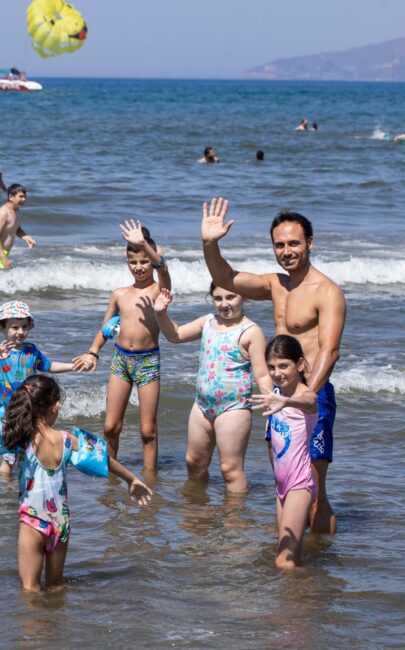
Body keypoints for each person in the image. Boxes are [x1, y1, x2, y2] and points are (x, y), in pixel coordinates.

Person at [0, 375, 153, 592]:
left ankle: (35, 636)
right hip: (62, 522)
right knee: (57, 586)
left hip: (33, 521)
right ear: (54, 406)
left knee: (30, 591)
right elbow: (104, 459)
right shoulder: (67, 440)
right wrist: (131, 479)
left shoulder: (20, 440)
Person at [201, 196, 345, 534]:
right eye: (279, 245)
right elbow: (227, 276)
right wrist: (209, 244)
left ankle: (321, 562)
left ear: (310, 243)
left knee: (313, 489)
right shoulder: (275, 285)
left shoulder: (327, 292)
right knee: (285, 482)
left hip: (312, 397)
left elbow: (330, 350)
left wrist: (305, 395)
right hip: (278, 398)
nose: (287, 250)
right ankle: (293, 551)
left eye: (294, 243)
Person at [152, 285, 271, 493]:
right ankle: (199, 507)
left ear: (243, 296)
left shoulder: (251, 331)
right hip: (202, 405)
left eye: (230, 297)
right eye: (218, 298)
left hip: (233, 407)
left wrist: (271, 401)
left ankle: (234, 519)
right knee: (193, 461)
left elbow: (262, 374)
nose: (224, 304)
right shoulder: (207, 322)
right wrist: (160, 312)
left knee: (230, 469)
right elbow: (175, 335)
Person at [74, 220, 170, 468]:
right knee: (110, 426)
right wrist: (93, 352)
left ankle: (149, 480)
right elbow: (106, 328)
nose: (139, 267)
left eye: (144, 261)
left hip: (147, 361)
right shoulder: (120, 294)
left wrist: (144, 246)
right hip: (120, 361)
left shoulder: (160, 289)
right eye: (133, 262)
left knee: (147, 430)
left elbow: (163, 268)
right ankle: (110, 474)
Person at [0, 300, 81, 475]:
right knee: (9, 456)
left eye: (24, 327)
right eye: (15, 327)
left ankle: (27, 480)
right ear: (2, 328)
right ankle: (6, 488)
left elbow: (48, 366)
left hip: (33, 410)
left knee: (29, 448)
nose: (20, 332)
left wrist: (73, 366)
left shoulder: (31, 350)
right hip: (10, 411)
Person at [252, 335, 318, 569]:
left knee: (284, 560)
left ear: (299, 364)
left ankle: (294, 603)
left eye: (283, 366)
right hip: (281, 485)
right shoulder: (275, 394)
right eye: (272, 367)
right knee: (289, 554)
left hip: (299, 484)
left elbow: (311, 401)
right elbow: (272, 444)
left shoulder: (302, 396)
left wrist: (287, 402)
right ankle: (304, 595)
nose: (277, 372)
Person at [0, 184, 35, 270]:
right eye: (21, 197)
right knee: (2, 277)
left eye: (25, 197)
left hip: (3, 252)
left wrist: (26, 237)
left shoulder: (16, 211)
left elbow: (16, 229)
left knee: (5, 276)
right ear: (11, 197)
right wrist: (4, 258)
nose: (24, 199)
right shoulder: (3, 213)